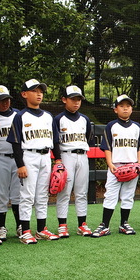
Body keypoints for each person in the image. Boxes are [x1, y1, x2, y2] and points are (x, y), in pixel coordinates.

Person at [7, 79, 61, 244]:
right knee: (27, 195)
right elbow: (16, 143)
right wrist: (20, 164)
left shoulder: (48, 116)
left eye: (41, 91)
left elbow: (55, 140)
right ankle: (25, 231)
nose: (39, 94)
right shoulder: (20, 116)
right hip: (28, 156)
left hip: (45, 156)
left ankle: (41, 229)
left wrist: (58, 159)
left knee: (42, 195)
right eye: (34, 91)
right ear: (24, 94)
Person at [92, 94, 140, 237]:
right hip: (115, 167)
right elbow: (107, 147)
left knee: (128, 196)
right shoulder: (111, 126)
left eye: (128, 106)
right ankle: (105, 225)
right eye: (121, 106)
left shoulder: (137, 127)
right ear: (115, 109)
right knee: (110, 195)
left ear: (132, 109)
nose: (125, 108)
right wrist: (110, 164)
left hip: (132, 166)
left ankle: (124, 223)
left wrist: (139, 164)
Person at [53, 85, 94, 237]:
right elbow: (55, 141)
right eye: (73, 99)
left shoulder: (85, 119)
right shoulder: (58, 119)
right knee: (64, 191)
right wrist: (58, 160)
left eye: (79, 99)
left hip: (82, 155)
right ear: (64, 100)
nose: (76, 102)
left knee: (81, 192)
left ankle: (82, 224)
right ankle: (62, 225)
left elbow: (88, 138)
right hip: (66, 155)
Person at [0, 85, 21, 242]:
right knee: (0, 194)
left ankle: (20, 225)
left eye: (7, 99)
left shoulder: (18, 115)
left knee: (18, 193)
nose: (5, 102)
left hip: (17, 159)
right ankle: (1, 227)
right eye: (1, 100)